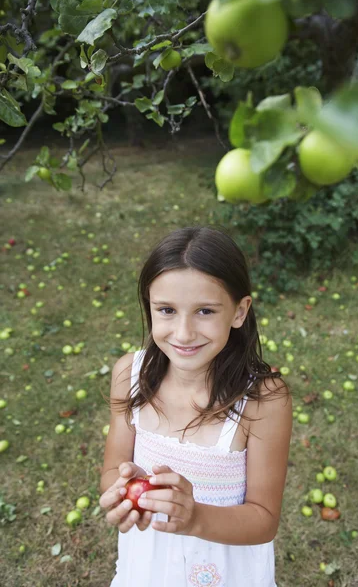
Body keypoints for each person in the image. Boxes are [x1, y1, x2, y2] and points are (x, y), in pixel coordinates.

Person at [99, 225, 292, 587]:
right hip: (148, 567)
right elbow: (113, 468)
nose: (184, 333)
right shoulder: (130, 374)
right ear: (149, 306)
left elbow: (264, 519)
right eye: (167, 310)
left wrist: (195, 518)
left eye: (204, 311)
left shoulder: (263, 400)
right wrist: (123, 493)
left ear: (239, 311)